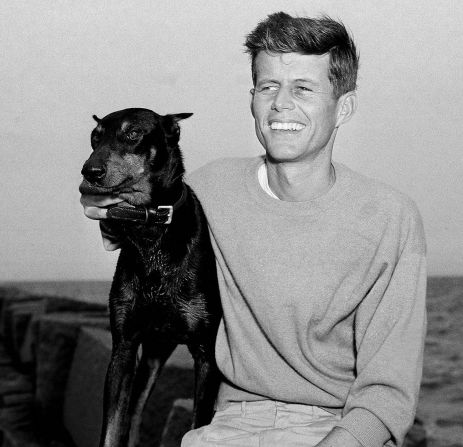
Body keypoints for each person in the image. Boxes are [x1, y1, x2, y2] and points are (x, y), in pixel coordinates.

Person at [81, 12, 427, 447]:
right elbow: (137, 226)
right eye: (268, 87)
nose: (281, 104)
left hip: (337, 428)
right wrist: (104, 206)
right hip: (229, 426)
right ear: (252, 99)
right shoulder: (209, 189)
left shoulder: (391, 219)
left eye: (303, 88)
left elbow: (389, 390)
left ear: (344, 108)